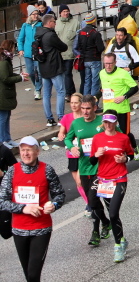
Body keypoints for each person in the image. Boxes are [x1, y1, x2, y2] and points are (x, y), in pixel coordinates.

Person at [0, 136, 65, 282]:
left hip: (41, 229)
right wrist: (24, 208)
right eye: (23, 150)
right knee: (28, 274)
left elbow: (59, 194)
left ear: (37, 152)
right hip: (19, 229)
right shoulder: (12, 171)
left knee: (33, 274)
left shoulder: (47, 170)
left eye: (29, 150)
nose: (25, 153)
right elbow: (2, 201)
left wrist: (54, 205)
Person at [64, 95, 111, 246]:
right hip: (84, 168)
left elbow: (118, 133)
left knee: (94, 199)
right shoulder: (76, 123)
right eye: (83, 108)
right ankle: (105, 222)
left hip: (102, 167)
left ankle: (96, 232)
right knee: (92, 201)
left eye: (88, 108)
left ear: (95, 108)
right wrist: (72, 147)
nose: (85, 111)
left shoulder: (102, 121)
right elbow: (67, 138)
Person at [90, 111, 134, 262]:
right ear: (103, 123)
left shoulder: (123, 138)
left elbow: (131, 155)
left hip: (120, 179)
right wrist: (96, 155)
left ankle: (117, 247)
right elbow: (92, 161)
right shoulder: (97, 138)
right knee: (111, 213)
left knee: (114, 213)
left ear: (116, 122)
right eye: (106, 122)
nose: (108, 125)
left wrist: (124, 159)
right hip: (104, 181)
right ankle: (121, 239)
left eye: (111, 122)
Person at [99, 53, 139, 159]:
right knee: (109, 132)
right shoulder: (102, 73)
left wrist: (124, 97)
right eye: (106, 63)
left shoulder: (123, 73)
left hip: (122, 109)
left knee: (124, 133)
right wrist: (96, 96)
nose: (108, 66)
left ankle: (134, 147)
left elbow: (135, 87)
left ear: (115, 62)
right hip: (108, 109)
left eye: (110, 63)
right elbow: (103, 88)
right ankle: (116, 153)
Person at [36, 14, 68, 127]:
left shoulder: (38, 34)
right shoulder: (50, 35)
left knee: (46, 94)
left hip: (43, 67)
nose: (55, 23)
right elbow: (64, 47)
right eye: (54, 21)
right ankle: (60, 117)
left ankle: (49, 119)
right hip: (54, 66)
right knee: (61, 91)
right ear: (49, 23)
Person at [0, 40, 28, 147]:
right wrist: (20, 78)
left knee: (6, 117)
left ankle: (7, 139)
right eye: (13, 47)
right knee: (3, 119)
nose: (14, 50)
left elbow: (8, 74)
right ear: (10, 47)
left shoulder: (5, 59)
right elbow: (5, 78)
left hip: (5, 94)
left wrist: (20, 76)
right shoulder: (3, 61)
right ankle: (2, 141)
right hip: (3, 94)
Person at [74, 12, 105, 98]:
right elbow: (101, 48)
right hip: (95, 59)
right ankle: (94, 102)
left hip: (85, 60)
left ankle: (85, 100)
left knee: (87, 81)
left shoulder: (81, 33)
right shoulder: (95, 33)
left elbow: (79, 47)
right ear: (93, 21)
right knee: (95, 82)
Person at [55, 5, 79, 100]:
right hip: (59, 54)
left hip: (70, 53)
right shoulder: (56, 23)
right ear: (60, 13)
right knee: (63, 74)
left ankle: (68, 93)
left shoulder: (75, 23)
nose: (66, 13)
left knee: (67, 73)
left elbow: (78, 37)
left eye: (67, 11)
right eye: (64, 11)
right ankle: (71, 91)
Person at [18, 9, 42, 101]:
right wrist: (20, 49)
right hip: (28, 53)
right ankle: (36, 86)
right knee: (31, 72)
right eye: (33, 14)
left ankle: (38, 90)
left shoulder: (40, 24)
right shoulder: (25, 25)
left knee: (38, 72)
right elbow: (20, 38)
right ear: (30, 15)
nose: (36, 15)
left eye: (37, 14)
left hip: (37, 52)